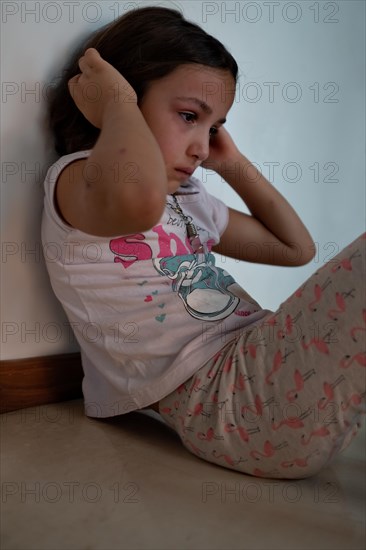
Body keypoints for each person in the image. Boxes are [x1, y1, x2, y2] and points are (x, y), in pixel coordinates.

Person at [42, 6, 365, 479]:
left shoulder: (188, 197)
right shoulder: (82, 178)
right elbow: (139, 200)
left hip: (273, 368)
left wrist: (231, 163)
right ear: (122, 97)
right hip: (228, 399)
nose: (201, 146)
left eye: (212, 127)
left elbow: (294, 249)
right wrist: (117, 110)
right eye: (189, 116)